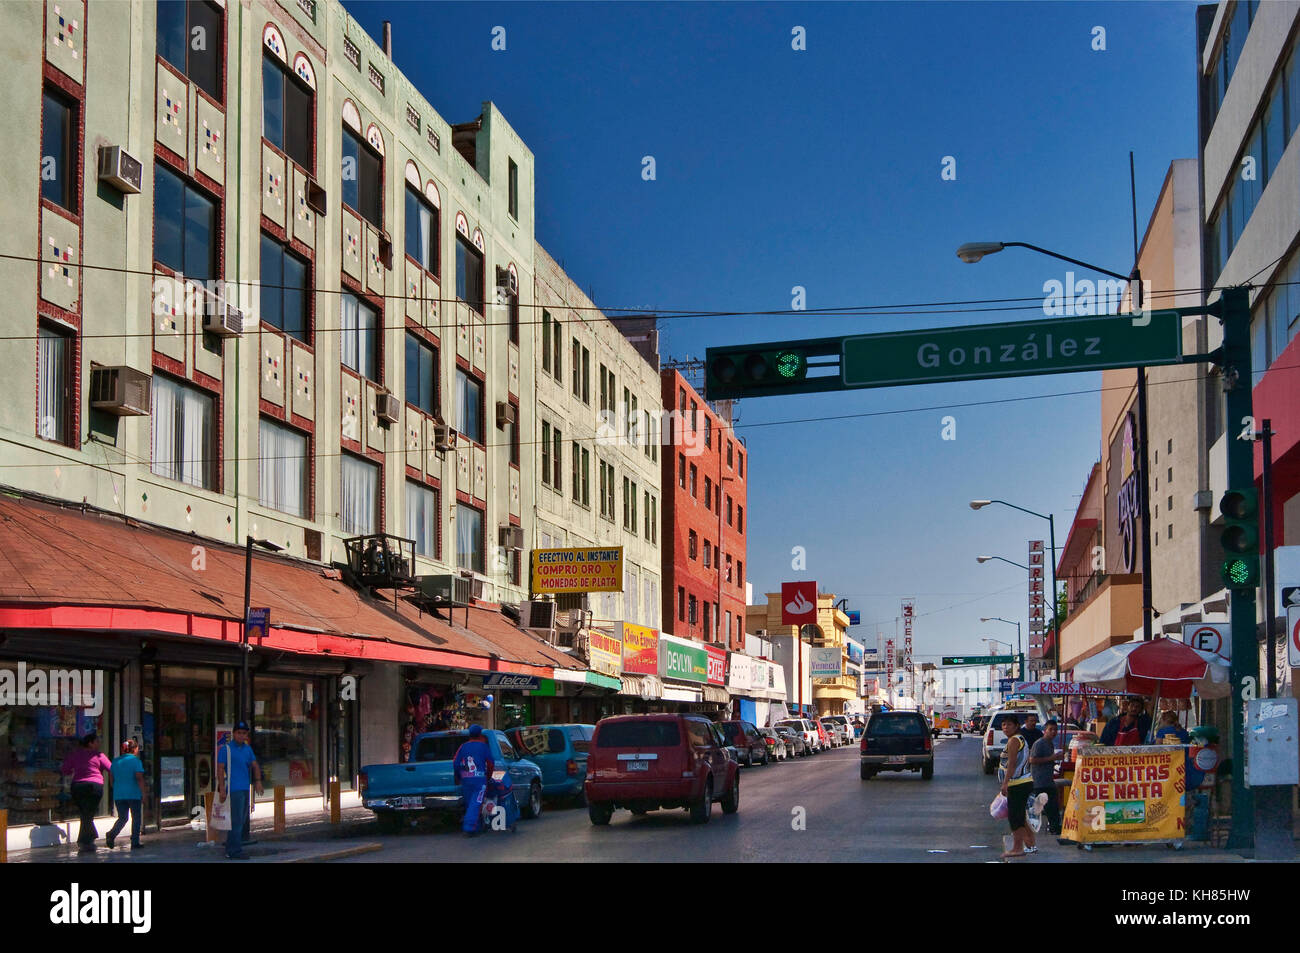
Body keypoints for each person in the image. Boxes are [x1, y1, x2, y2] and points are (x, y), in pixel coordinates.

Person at [216, 722, 264, 860]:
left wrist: (258, 782)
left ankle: (231, 848)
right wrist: (222, 789)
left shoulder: (247, 749)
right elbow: (220, 769)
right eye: (239, 733)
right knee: (236, 821)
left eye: (244, 733)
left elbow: (254, 765)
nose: (241, 735)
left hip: (244, 788)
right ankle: (234, 850)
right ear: (234, 733)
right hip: (233, 789)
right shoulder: (226, 749)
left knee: (241, 820)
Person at [61, 731, 113, 853]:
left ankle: (86, 841)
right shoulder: (99, 755)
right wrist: (112, 783)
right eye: (97, 741)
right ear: (90, 743)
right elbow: (111, 768)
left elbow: (65, 770)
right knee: (88, 814)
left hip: (78, 786)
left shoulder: (75, 755)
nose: (99, 743)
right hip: (95, 786)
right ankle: (87, 840)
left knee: (85, 813)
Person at [998, 715, 1035, 859]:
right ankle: (1030, 840)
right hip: (1022, 782)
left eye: (1008, 725)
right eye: (1003, 725)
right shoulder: (1019, 739)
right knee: (1019, 815)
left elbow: (1012, 763)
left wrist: (1005, 783)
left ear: (1016, 726)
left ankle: (1018, 848)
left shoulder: (1014, 740)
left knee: (1015, 817)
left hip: (1018, 783)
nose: (1005, 728)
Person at [452, 724, 494, 837]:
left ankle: (477, 827)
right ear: (480, 734)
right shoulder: (483, 746)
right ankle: (469, 828)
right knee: (476, 804)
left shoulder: (463, 747)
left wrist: (459, 776)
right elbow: (490, 763)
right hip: (479, 781)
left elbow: (455, 763)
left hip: (466, 780)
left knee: (470, 804)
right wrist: (488, 777)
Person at [105, 740, 147, 850]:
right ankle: (135, 842)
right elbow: (139, 778)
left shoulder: (115, 761)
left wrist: (118, 788)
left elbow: (111, 780)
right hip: (133, 793)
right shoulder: (136, 761)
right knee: (136, 818)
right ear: (135, 749)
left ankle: (112, 834)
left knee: (123, 818)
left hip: (119, 794)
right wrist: (143, 793)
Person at [1027, 719, 1064, 836]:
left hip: (1048, 780)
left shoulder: (1050, 743)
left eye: (1055, 730)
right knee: (1048, 806)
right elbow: (1032, 760)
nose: (1053, 732)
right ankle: (1053, 827)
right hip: (1040, 781)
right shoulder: (1040, 743)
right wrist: (1051, 758)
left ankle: (1054, 827)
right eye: (1050, 730)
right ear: (1045, 731)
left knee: (1052, 805)